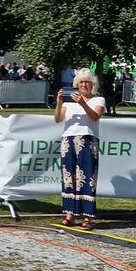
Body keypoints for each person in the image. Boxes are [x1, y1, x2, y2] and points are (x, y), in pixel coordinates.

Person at [54, 68, 105, 231]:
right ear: (76, 85)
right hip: (68, 139)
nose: (84, 85)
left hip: (87, 139)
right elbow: (57, 119)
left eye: (87, 82)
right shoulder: (69, 102)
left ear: (92, 85)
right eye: (81, 82)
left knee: (87, 177)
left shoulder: (98, 100)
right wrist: (59, 102)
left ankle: (87, 217)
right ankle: (70, 214)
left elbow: (95, 117)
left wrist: (82, 103)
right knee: (68, 177)